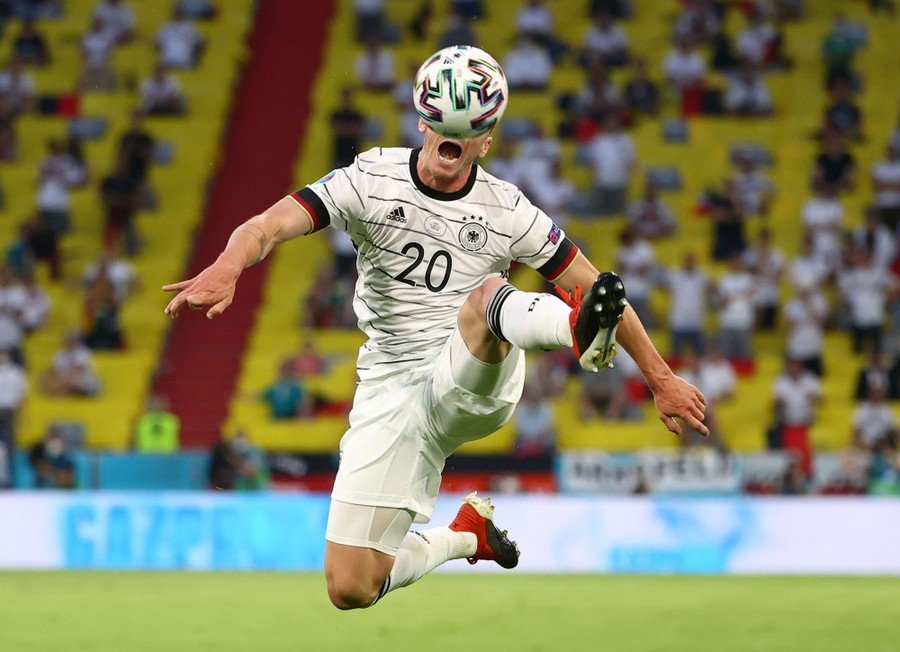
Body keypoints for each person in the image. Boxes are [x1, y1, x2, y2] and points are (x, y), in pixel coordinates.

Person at [163, 46, 706, 611]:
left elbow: (597, 286)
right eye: (442, 121)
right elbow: (269, 224)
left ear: (486, 140)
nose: (452, 137)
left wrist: (659, 377)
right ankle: (469, 535)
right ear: (423, 121)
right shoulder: (370, 179)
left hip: (475, 374)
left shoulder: (507, 209)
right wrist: (229, 264)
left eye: (470, 128)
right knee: (350, 586)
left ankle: (575, 331)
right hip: (390, 391)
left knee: (487, 295)